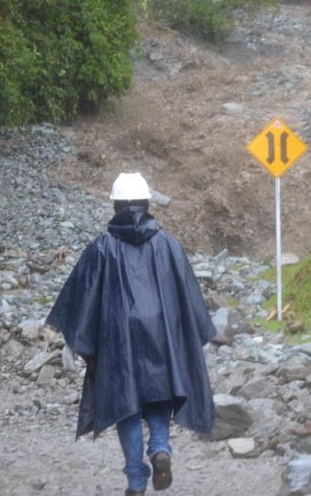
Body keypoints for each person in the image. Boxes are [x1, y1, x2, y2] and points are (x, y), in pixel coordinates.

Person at [47, 172, 216, 495]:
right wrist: (192, 336)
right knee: (158, 397)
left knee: (125, 404)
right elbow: (187, 295)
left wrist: (71, 340)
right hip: (161, 335)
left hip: (118, 337)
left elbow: (82, 296)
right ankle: (160, 449)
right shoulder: (168, 244)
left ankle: (136, 482)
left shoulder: (102, 247)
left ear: (116, 205)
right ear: (146, 203)